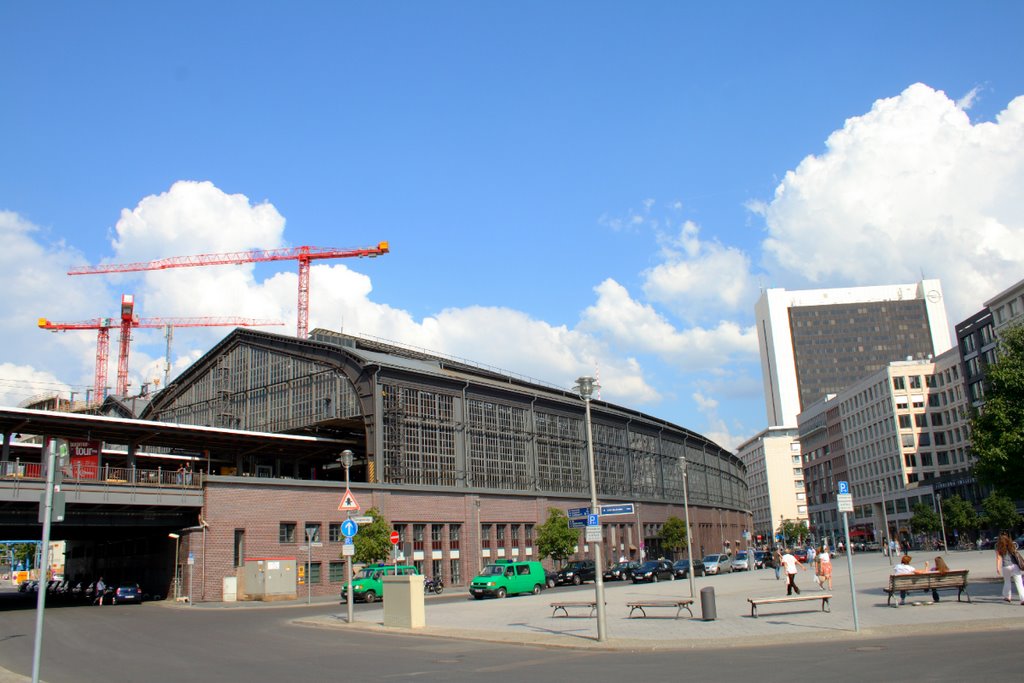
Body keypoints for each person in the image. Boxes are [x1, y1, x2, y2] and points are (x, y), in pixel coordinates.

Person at [995, 533, 1024, 605]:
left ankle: (1008, 597)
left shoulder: (998, 548)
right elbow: (1016, 555)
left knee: (1007, 581)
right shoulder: (1012, 546)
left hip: (1006, 567)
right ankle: (1023, 599)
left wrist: (998, 568)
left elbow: (998, 558)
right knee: (1019, 583)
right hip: (1015, 566)